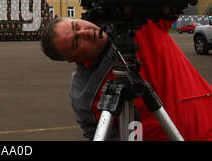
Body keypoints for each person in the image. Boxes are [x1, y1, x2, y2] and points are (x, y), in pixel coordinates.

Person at [41, 17, 212, 141]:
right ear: (73, 58)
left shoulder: (140, 24)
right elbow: (97, 133)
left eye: (77, 25)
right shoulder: (85, 94)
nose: (86, 32)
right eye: (76, 41)